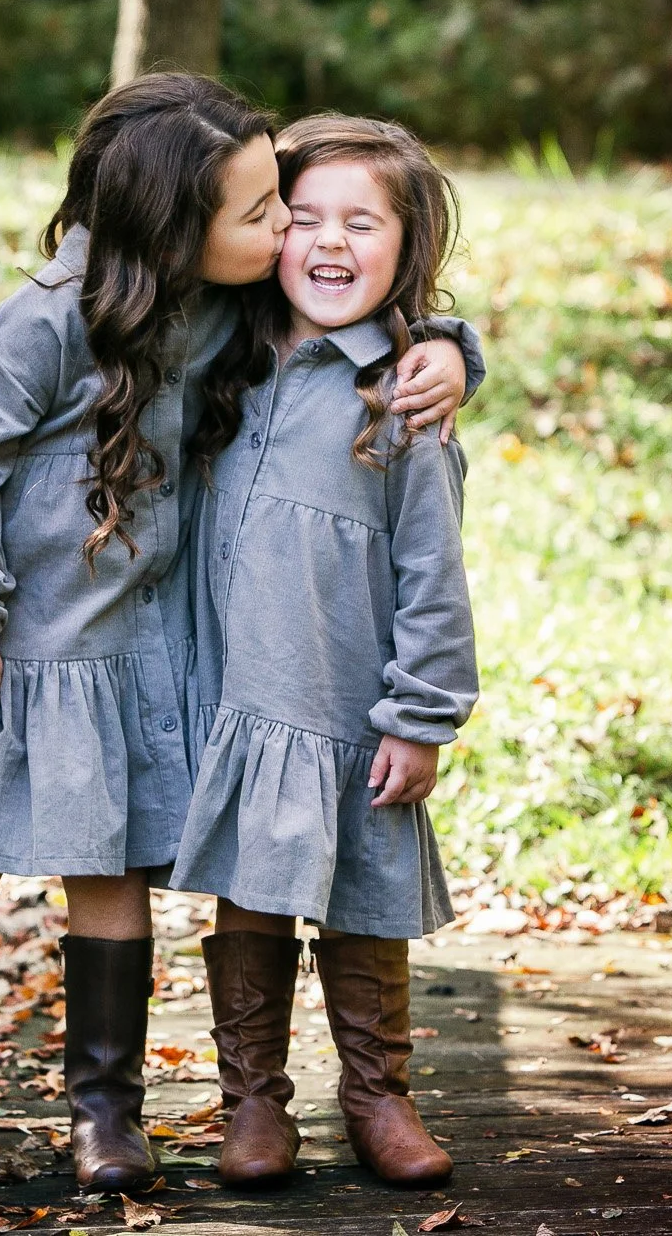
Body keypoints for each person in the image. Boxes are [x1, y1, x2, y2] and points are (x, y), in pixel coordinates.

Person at [0, 76, 477, 1197]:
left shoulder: (225, 315)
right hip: (2, 656)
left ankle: (105, 1119)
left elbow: (354, 322)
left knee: (107, 872)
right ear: (175, 225)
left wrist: (448, 345)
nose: (285, 233)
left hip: (119, 667)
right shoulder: (42, 327)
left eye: (281, 208)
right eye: (267, 213)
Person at [172, 115, 480, 1191]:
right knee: (249, 896)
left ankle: (376, 1094)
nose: (328, 242)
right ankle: (252, 1101)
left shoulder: (404, 398)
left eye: (362, 222)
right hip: (244, 697)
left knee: (363, 900)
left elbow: (433, 576)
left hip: (352, 704)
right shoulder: (217, 353)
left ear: (408, 246)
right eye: (301, 218)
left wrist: (421, 714)